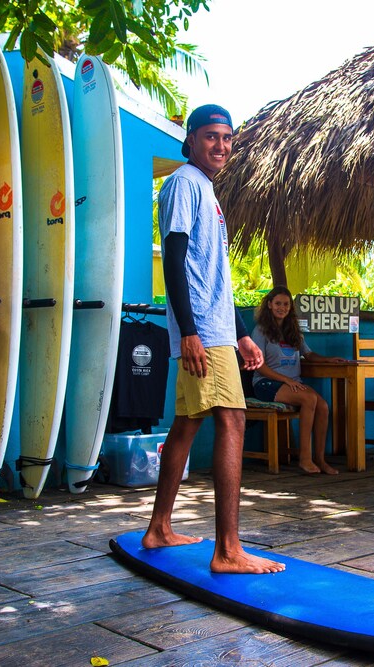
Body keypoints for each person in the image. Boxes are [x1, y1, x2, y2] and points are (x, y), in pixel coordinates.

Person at [141, 104, 284, 575]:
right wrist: (189, 331)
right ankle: (228, 550)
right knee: (233, 420)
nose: (220, 145)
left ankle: (159, 528)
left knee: (187, 424)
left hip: (215, 329)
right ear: (191, 139)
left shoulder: (205, 188)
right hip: (201, 329)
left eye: (226, 137)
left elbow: (214, 275)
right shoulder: (184, 183)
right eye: (210, 136)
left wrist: (241, 334)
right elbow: (174, 259)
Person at [251, 287, 342, 475]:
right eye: (278, 303)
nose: (282, 307)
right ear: (269, 305)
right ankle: (305, 458)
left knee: (323, 406)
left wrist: (328, 359)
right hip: (266, 383)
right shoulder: (260, 331)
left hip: (291, 383)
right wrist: (286, 380)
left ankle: (320, 459)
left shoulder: (293, 330)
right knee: (309, 399)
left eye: (286, 304)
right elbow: (259, 365)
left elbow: (308, 354)